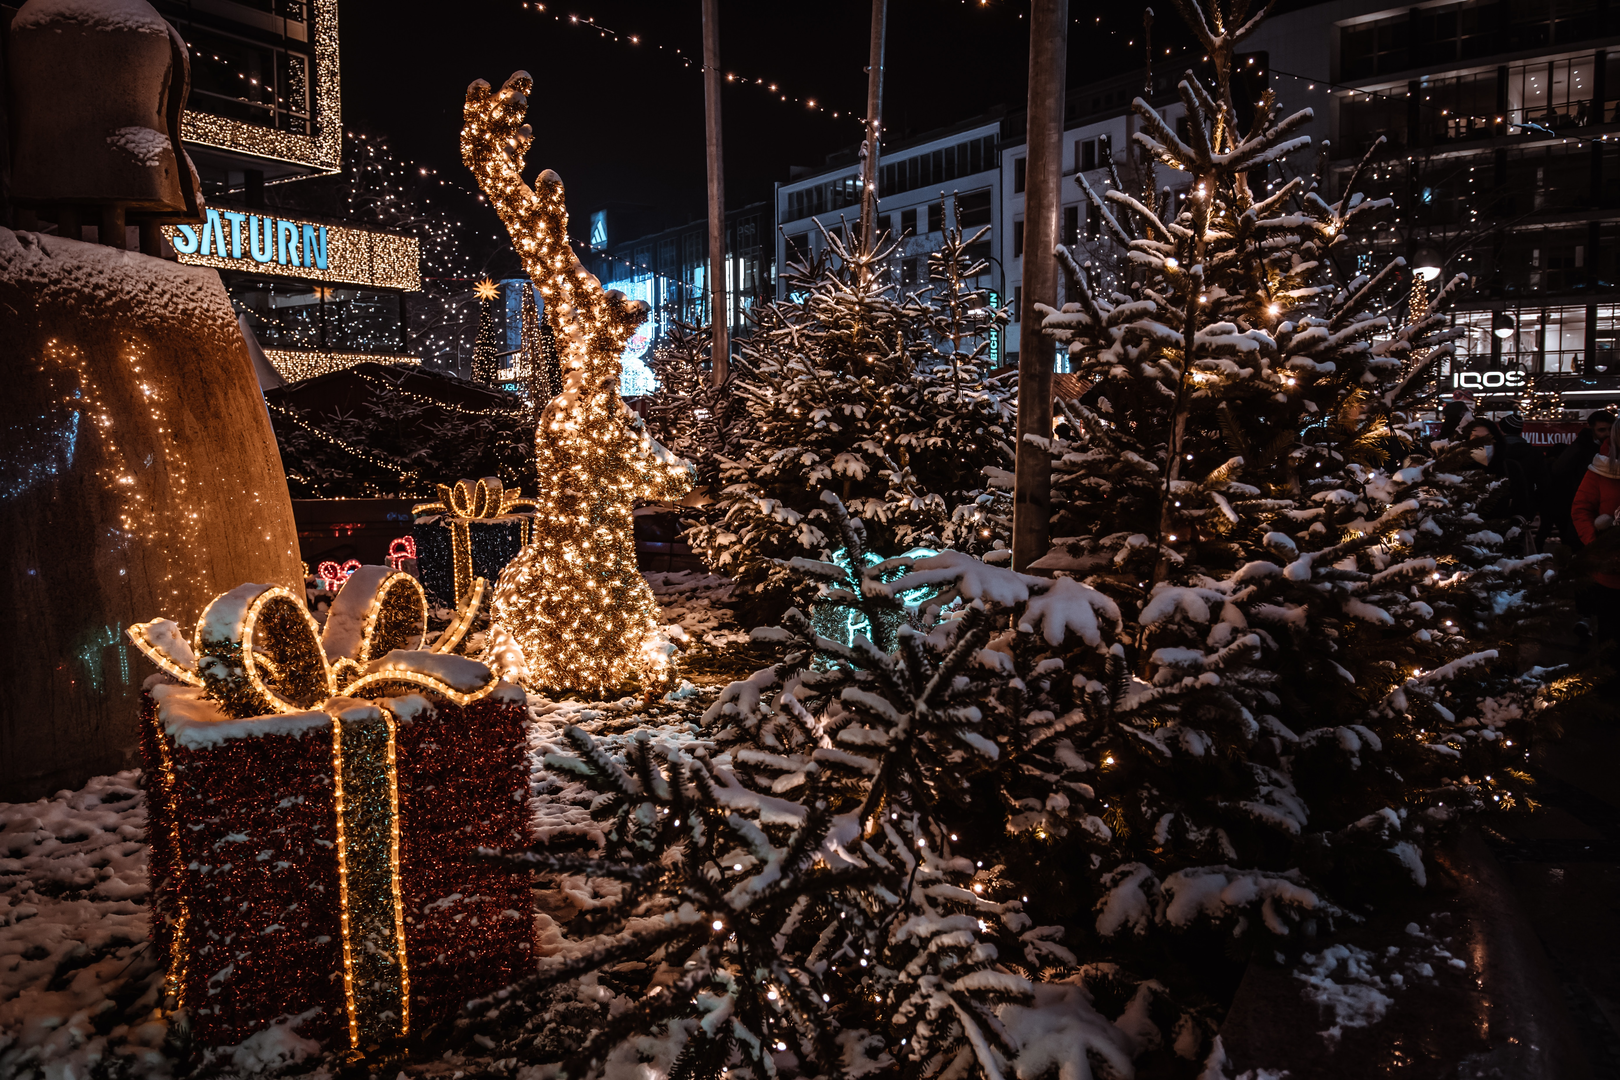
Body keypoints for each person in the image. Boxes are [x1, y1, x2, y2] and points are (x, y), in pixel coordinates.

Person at [1571, 414, 1620, 643]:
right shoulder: (1601, 468)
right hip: (1611, 571)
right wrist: (1597, 546)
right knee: (1611, 639)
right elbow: (1581, 509)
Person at [1545, 410, 1616, 551]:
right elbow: (1559, 469)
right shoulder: (1583, 448)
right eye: (1602, 430)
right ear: (1592, 430)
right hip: (1584, 508)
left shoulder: (1612, 448)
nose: (1607, 434)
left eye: (1610, 429)